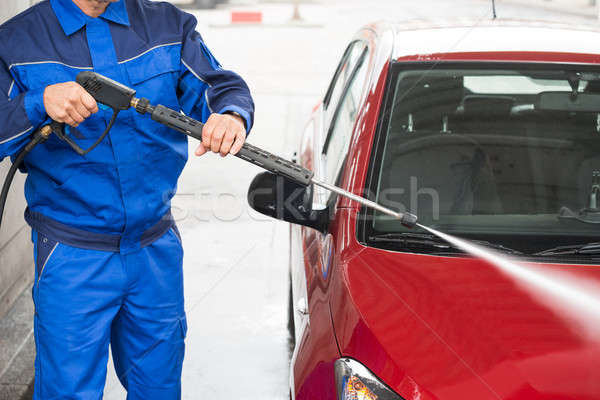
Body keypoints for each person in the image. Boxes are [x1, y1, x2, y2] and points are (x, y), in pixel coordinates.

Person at [0, 0, 254, 398]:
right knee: (68, 391)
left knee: (159, 387)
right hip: (71, 256)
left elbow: (219, 87)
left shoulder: (168, 25)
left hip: (155, 250)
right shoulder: (17, 41)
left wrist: (230, 115)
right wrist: (38, 102)